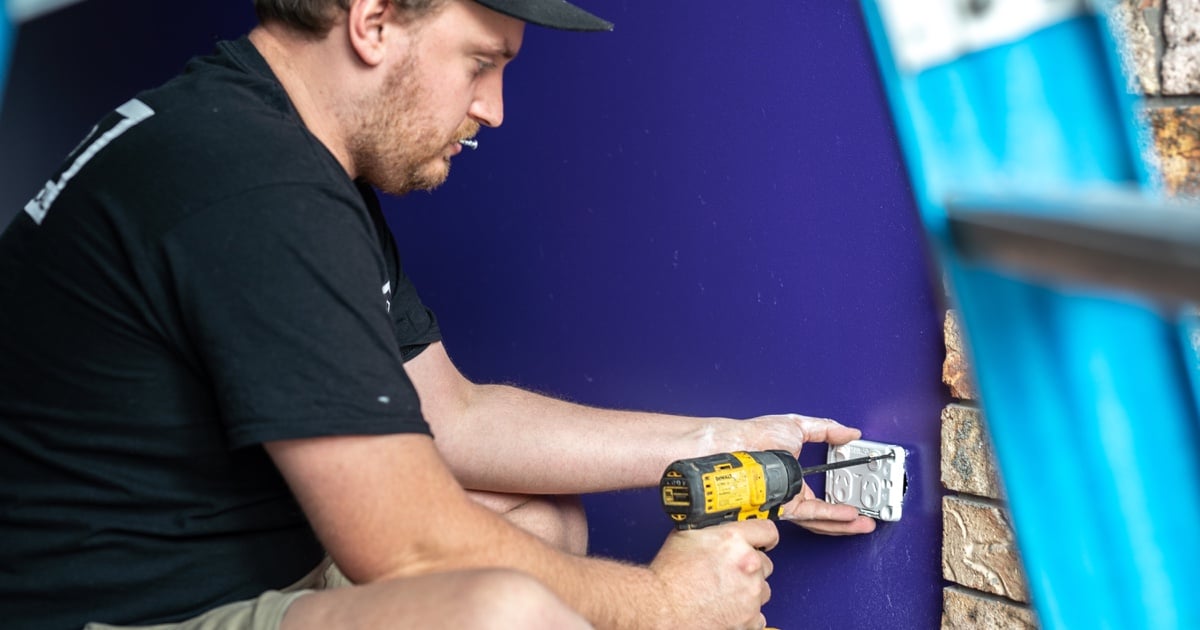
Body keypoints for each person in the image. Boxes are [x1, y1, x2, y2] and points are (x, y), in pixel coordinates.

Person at [0, 0, 877, 628]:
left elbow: (450, 415)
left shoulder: (267, 140)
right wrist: (665, 608)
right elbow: (412, 549)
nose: (492, 108)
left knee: (544, 522)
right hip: (121, 612)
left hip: (208, 554)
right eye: (482, 62)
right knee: (501, 612)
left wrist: (717, 442)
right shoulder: (250, 184)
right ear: (374, 21)